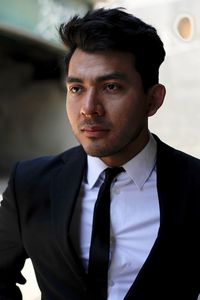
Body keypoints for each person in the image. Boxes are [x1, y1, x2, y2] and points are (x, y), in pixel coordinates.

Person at [0, 7, 200, 300]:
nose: (88, 108)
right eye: (77, 88)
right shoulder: (30, 184)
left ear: (153, 100)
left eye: (111, 87)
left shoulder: (195, 187)